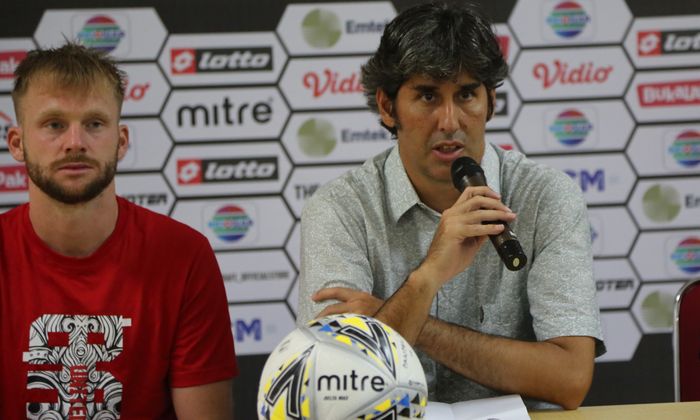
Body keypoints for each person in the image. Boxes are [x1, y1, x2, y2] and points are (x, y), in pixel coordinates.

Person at [297, 1, 605, 410]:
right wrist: (426, 278)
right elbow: (334, 387)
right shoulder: (339, 208)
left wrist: (400, 320)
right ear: (388, 108)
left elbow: (569, 380)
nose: (450, 121)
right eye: (427, 96)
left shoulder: (546, 197)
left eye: (466, 95)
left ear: (490, 102)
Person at [0, 43, 237, 419]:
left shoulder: (184, 255)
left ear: (121, 140)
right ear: (17, 143)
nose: (75, 142)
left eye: (94, 123)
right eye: (54, 125)